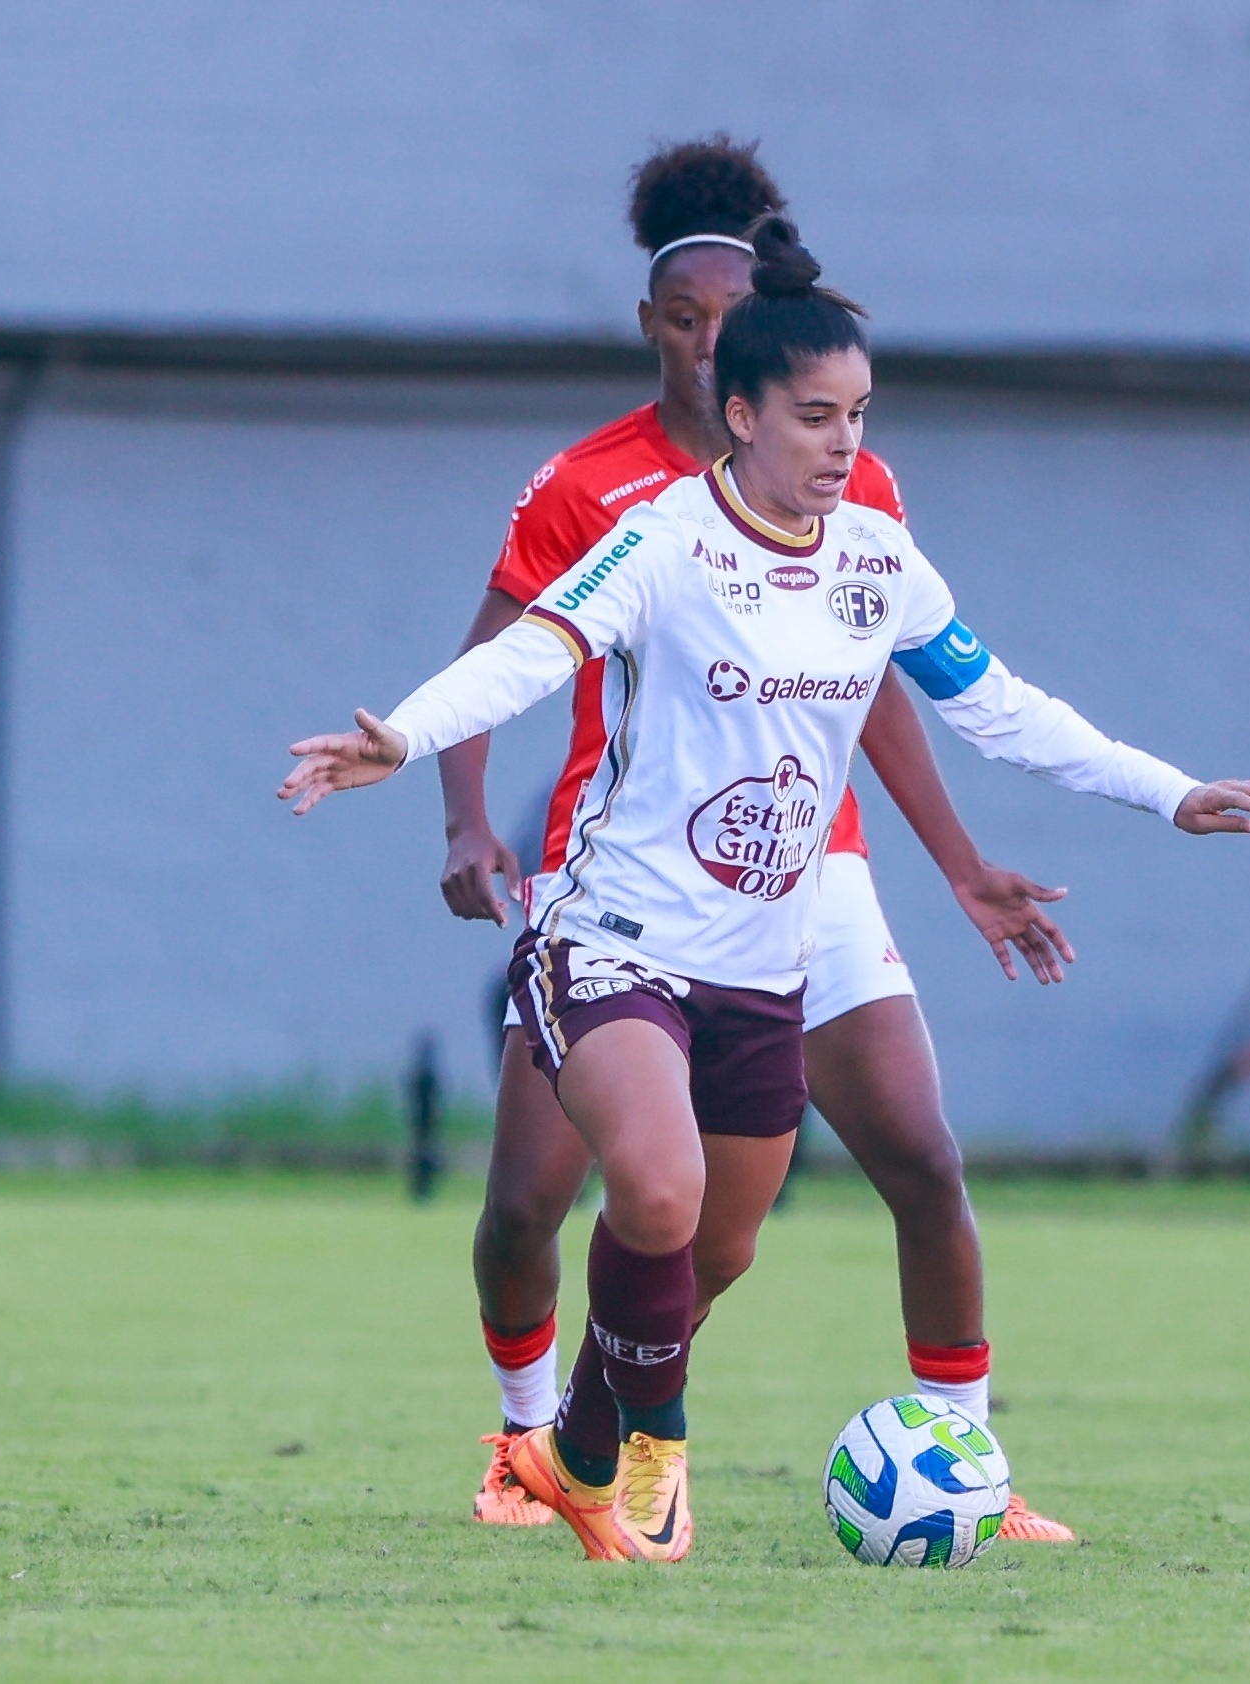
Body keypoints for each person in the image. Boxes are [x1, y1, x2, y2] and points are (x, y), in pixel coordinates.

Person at [281, 217, 1250, 1563]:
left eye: (859, 417)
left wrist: (1167, 790)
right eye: (816, 417)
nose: (843, 444)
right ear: (741, 416)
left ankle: (574, 1447)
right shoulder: (657, 540)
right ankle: (649, 1456)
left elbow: (999, 708)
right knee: (655, 1192)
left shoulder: (876, 556)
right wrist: (400, 742)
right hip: (617, 939)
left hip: (768, 962)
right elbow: (527, 654)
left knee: (721, 1250)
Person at [441, 138, 1084, 1541]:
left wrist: (961, 864)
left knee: (911, 1153)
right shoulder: (594, 489)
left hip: (812, 872)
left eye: (730, 317)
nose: (706, 342)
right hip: (619, 880)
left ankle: (966, 1464)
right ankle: (523, 1433)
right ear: (659, 331)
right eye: (684, 321)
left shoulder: (855, 484)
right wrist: (462, 815)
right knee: (526, 1204)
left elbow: (880, 689)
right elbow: (503, 648)